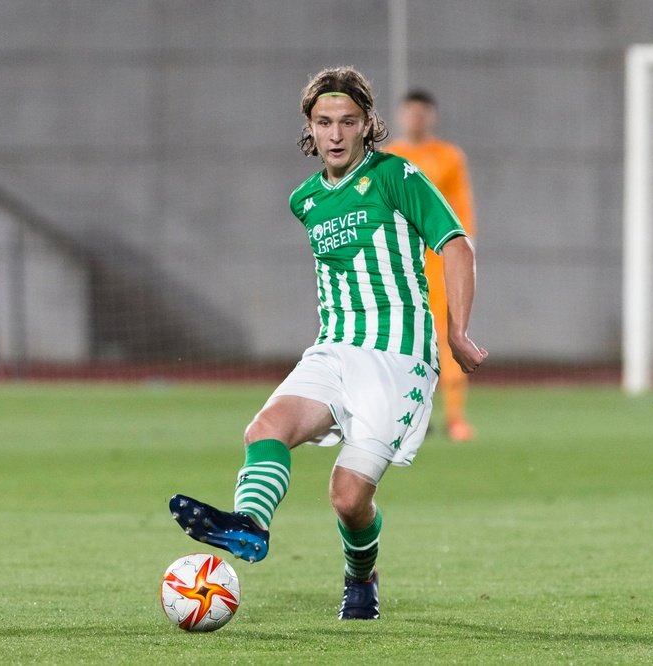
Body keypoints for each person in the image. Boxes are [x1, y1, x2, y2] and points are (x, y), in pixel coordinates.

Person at [170, 67, 487, 620]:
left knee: (348, 499)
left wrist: (456, 331)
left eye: (347, 122)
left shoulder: (396, 176)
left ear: (368, 126)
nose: (335, 134)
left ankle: (361, 577)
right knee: (265, 428)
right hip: (335, 347)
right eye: (323, 122)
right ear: (309, 129)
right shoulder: (306, 199)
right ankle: (251, 523)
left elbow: (456, 245)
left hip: (399, 357)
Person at [383, 89, 479, 442]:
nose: (416, 119)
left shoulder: (448, 157)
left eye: (422, 112)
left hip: (438, 261)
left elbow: (461, 208)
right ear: (401, 116)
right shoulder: (388, 158)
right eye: (410, 112)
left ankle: (455, 418)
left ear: (432, 116)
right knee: (399, 338)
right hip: (400, 262)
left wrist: (463, 250)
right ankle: (403, 419)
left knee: (450, 334)